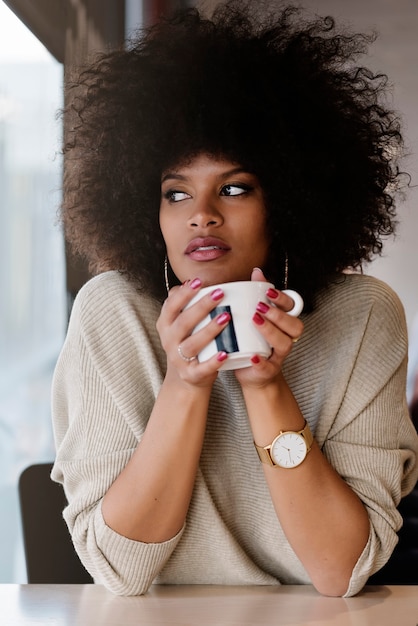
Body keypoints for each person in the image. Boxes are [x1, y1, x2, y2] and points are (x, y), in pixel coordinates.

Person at [51, 0, 418, 597]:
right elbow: (119, 569)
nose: (202, 215)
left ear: (290, 203)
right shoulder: (111, 311)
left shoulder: (364, 315)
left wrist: (266, 385)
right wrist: (185, 382)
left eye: (235, 187)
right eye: (175, 193)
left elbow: (339, 571)